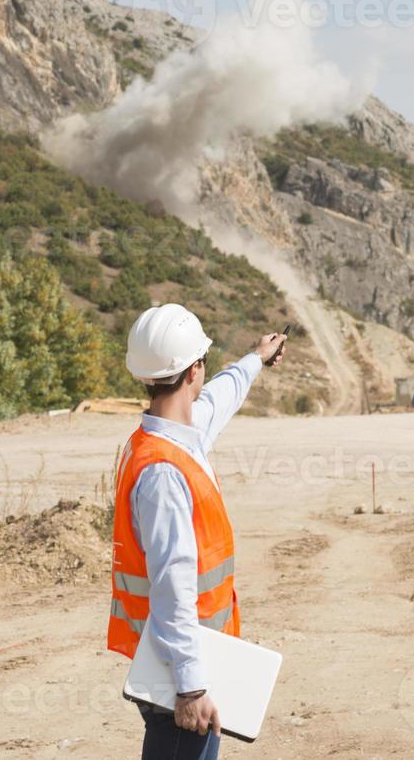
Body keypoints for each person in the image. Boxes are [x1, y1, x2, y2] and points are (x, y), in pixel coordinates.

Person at [107, 304, 288, 760]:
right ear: (194, 370)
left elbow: (217, 402)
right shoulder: (165, 473)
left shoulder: (165, 439)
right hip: (180, 673)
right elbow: (173, 583)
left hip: (187, 656)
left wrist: (256, 360)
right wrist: (190, 687)